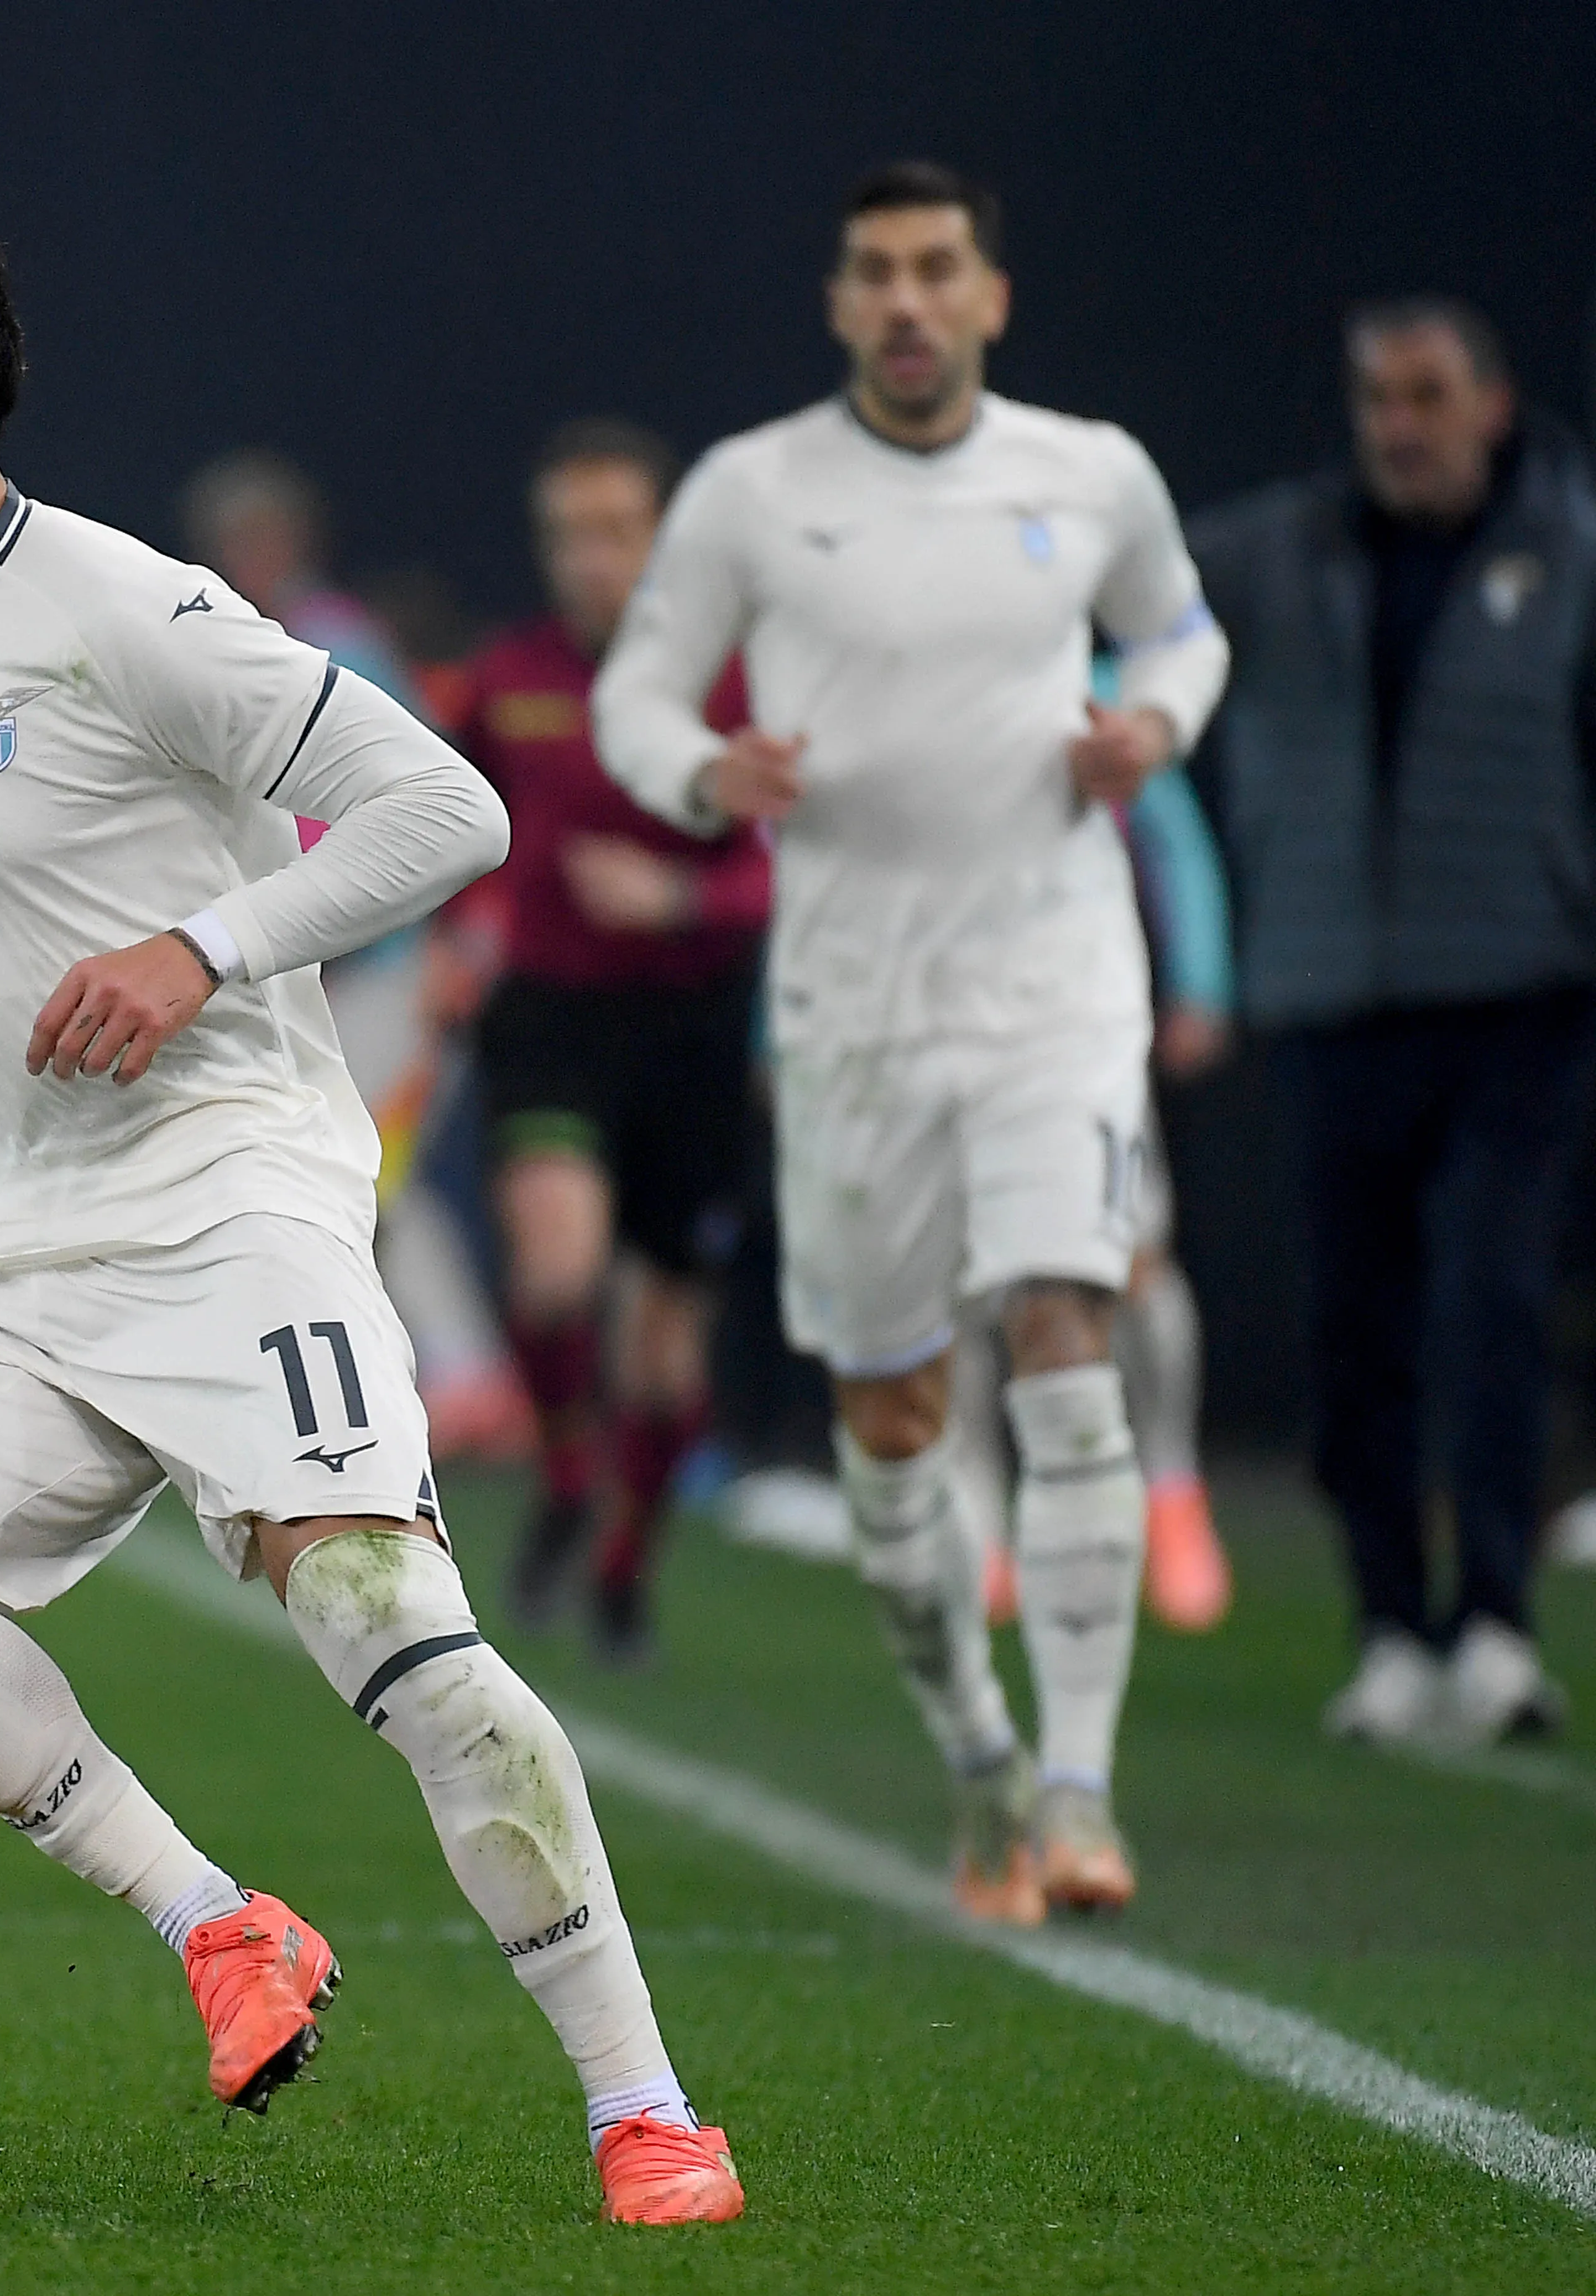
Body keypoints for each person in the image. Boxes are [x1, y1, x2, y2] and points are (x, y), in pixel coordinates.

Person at [0, 199, 741, 2225]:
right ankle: (212, 1922)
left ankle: (641, 2107)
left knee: (387, 1630)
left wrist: (198, 948)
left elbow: (441, 807)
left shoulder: (123, 607)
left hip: (218, 1214)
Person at [594, 163, 1231, 1922]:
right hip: (854, 1014)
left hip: (1055, 987)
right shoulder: (754, 492)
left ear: (990, 298)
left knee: (1065, 1333)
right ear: (840, 301)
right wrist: (703, 775)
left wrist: (1155, 721)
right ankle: (978, 1760)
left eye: (939, 269)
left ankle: (1088, 1786)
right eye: (876, 271)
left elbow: (1182, 624)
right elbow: (639, 691)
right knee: (893, 1410)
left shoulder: (1088, 473)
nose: (908, 301)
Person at [1188, 297, 1596, 1745]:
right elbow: (1121, 595)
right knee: (1356, 1323)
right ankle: (1387, 1626)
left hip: (1517, 992)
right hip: (1333, 992)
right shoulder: (1276, 550)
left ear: (1491, 402)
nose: (1399, 426)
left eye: (1426, 395)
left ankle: (1491, 1616)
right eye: (1377, 398)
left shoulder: (1574, 547)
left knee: (1491, 1304)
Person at [454, 419, 766, 1660]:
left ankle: (627, 1557)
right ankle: (569, 1472)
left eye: (615, 531)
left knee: (664, 1349)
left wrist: (680, 895)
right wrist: (453, 924)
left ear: (664, 537)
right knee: (557, 1272)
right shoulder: (509, 675)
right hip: (549, 1016)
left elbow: (780, 868)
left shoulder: (729, 687)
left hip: (692, 1026)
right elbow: (439, 809)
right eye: (567, 534)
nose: (590, 558)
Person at [182, 452, 529, 1458]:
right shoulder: (203, 640)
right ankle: (401, 1383)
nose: (249, 557)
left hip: (379, 969)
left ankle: (463, 1379)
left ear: (293, 545)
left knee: (366, 1175)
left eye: (263, 538)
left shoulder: (339, 644)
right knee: (317, 1173)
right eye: (233, 541)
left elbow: (406, 799)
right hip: (283, 966)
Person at [954, 685, 1239, 1637]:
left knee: (1132, 1268)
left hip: (1081, 1032)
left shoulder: (1096, 690)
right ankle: (983, 1525)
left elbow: (1174, 842)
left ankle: (1170, 1485)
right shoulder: (896, 683)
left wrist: (1198, 978)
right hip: (937, 1037)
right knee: (957, 1290)